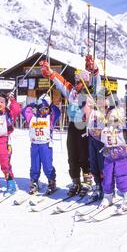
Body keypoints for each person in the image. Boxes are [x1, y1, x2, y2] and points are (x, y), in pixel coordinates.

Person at [40, 58, 98, 197]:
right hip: (72, 125)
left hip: (84, 126)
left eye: (79, 81)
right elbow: (61, 82)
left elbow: (96, 80)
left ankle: (87, 181)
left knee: (84, 155)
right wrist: (51, 72)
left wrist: (94, 70)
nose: (77, 84)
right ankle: (76, 181)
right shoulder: (72, 92)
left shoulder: (91, 93)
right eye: (76, 81)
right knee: (72, 154)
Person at [90, 106, 127, 210]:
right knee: (107, 177)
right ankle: (108, 196)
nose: (113, 120)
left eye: (115, 118)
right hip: (108, 157)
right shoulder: (104, 129)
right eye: (110, 117)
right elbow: (94, 133)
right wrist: (96, 122)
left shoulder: (122, 128)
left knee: (121, 176)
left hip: (121, 156)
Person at [21, 95, 61, 195]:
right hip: (35, 145)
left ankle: (51, 182)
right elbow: (24, 111)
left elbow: (58, 112)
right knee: (35, 165)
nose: (43, 110)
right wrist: (32, 104)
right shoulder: (32, 118)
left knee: (47, 166)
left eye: (46, 108)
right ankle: (34, 182)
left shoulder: (50, 118)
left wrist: (51, 105)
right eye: (41, 108)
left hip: (45, 145)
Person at [87, 87, 114, 201]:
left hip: (102, 141)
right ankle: (98, 186)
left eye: (103, 99)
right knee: (94, 165)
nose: (100, 101)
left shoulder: (109, 112)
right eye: (98, 99)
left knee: (103, 166)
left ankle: (107, 189)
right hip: (92, 140)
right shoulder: (94, 110)